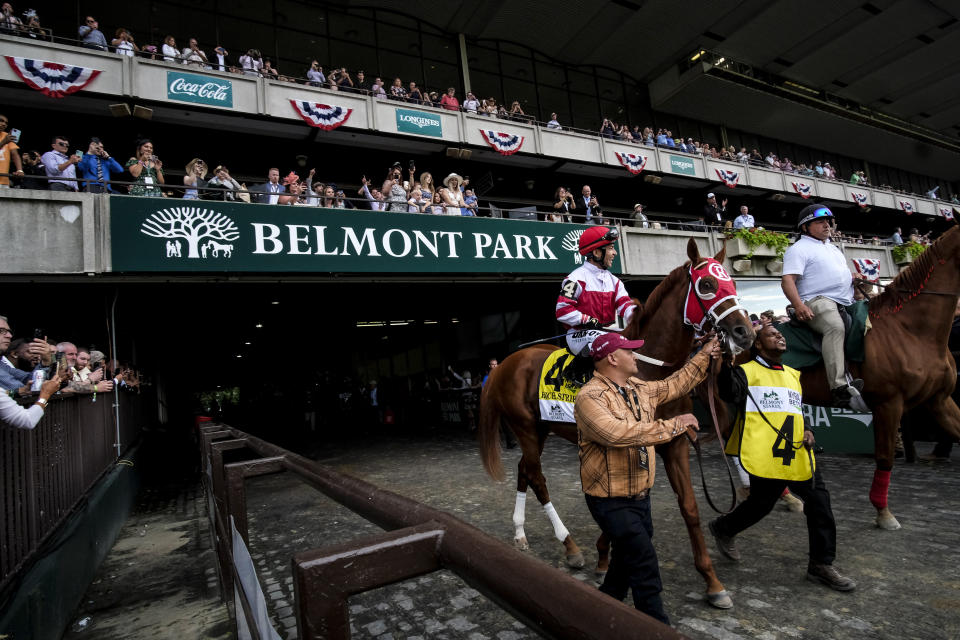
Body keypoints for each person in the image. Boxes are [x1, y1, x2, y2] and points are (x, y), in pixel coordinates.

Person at [576, 332, 720, 623]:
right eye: (630, 351)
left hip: (640, 496)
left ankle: (600, 608)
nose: (636, 356)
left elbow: (676, 383)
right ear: (613, 358)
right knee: (644, 564)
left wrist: (705, 353)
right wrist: (674, 425)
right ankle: (655, 626)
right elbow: (616, 434)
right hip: (610, 501)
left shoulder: (639, 388)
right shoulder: (589, 397)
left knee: (625, 560)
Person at [708, 323, 856, 592]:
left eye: (780, 333)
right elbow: (729, 393)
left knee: (819, 499)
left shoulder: (793, 375)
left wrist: (808, 428)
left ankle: (821, 564)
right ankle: (724, 527)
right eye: (771, 334)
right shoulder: (745, 371)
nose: (779, 336)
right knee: (761, 505)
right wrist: (727, 362)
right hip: (764, 452)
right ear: (759, 345)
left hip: (796, 451)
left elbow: (796, 408)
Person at [781, 204, 863, 408]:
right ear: (805, 227)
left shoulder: (832, 247)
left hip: (845, 301)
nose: (827, 224)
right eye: (820, 222)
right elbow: (788, 280)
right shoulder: (798, 249)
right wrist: (798, 305)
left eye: (828, 221)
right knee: (834, 326)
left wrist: (852, 278)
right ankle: (839, 387)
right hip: (816, 301)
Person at [555, 226, 634, 385]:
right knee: (606, 341)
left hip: (603, 331)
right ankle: (575, 373)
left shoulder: (614, 281)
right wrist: (585, 319)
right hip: (578, 335)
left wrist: (638, 317)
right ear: (597, 253)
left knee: (626, 340)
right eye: (611, 248)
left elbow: (625, 305)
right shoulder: (575, 278)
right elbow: (562, 311)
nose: (614, 253)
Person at [0, 113, 23, 188]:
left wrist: (19, 170)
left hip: (4, 181)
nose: (4, 124)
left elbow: (15, 154)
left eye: (6, 123)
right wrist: (3, 142)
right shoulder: (6, 139)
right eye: (1, 121)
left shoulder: (7, 136)